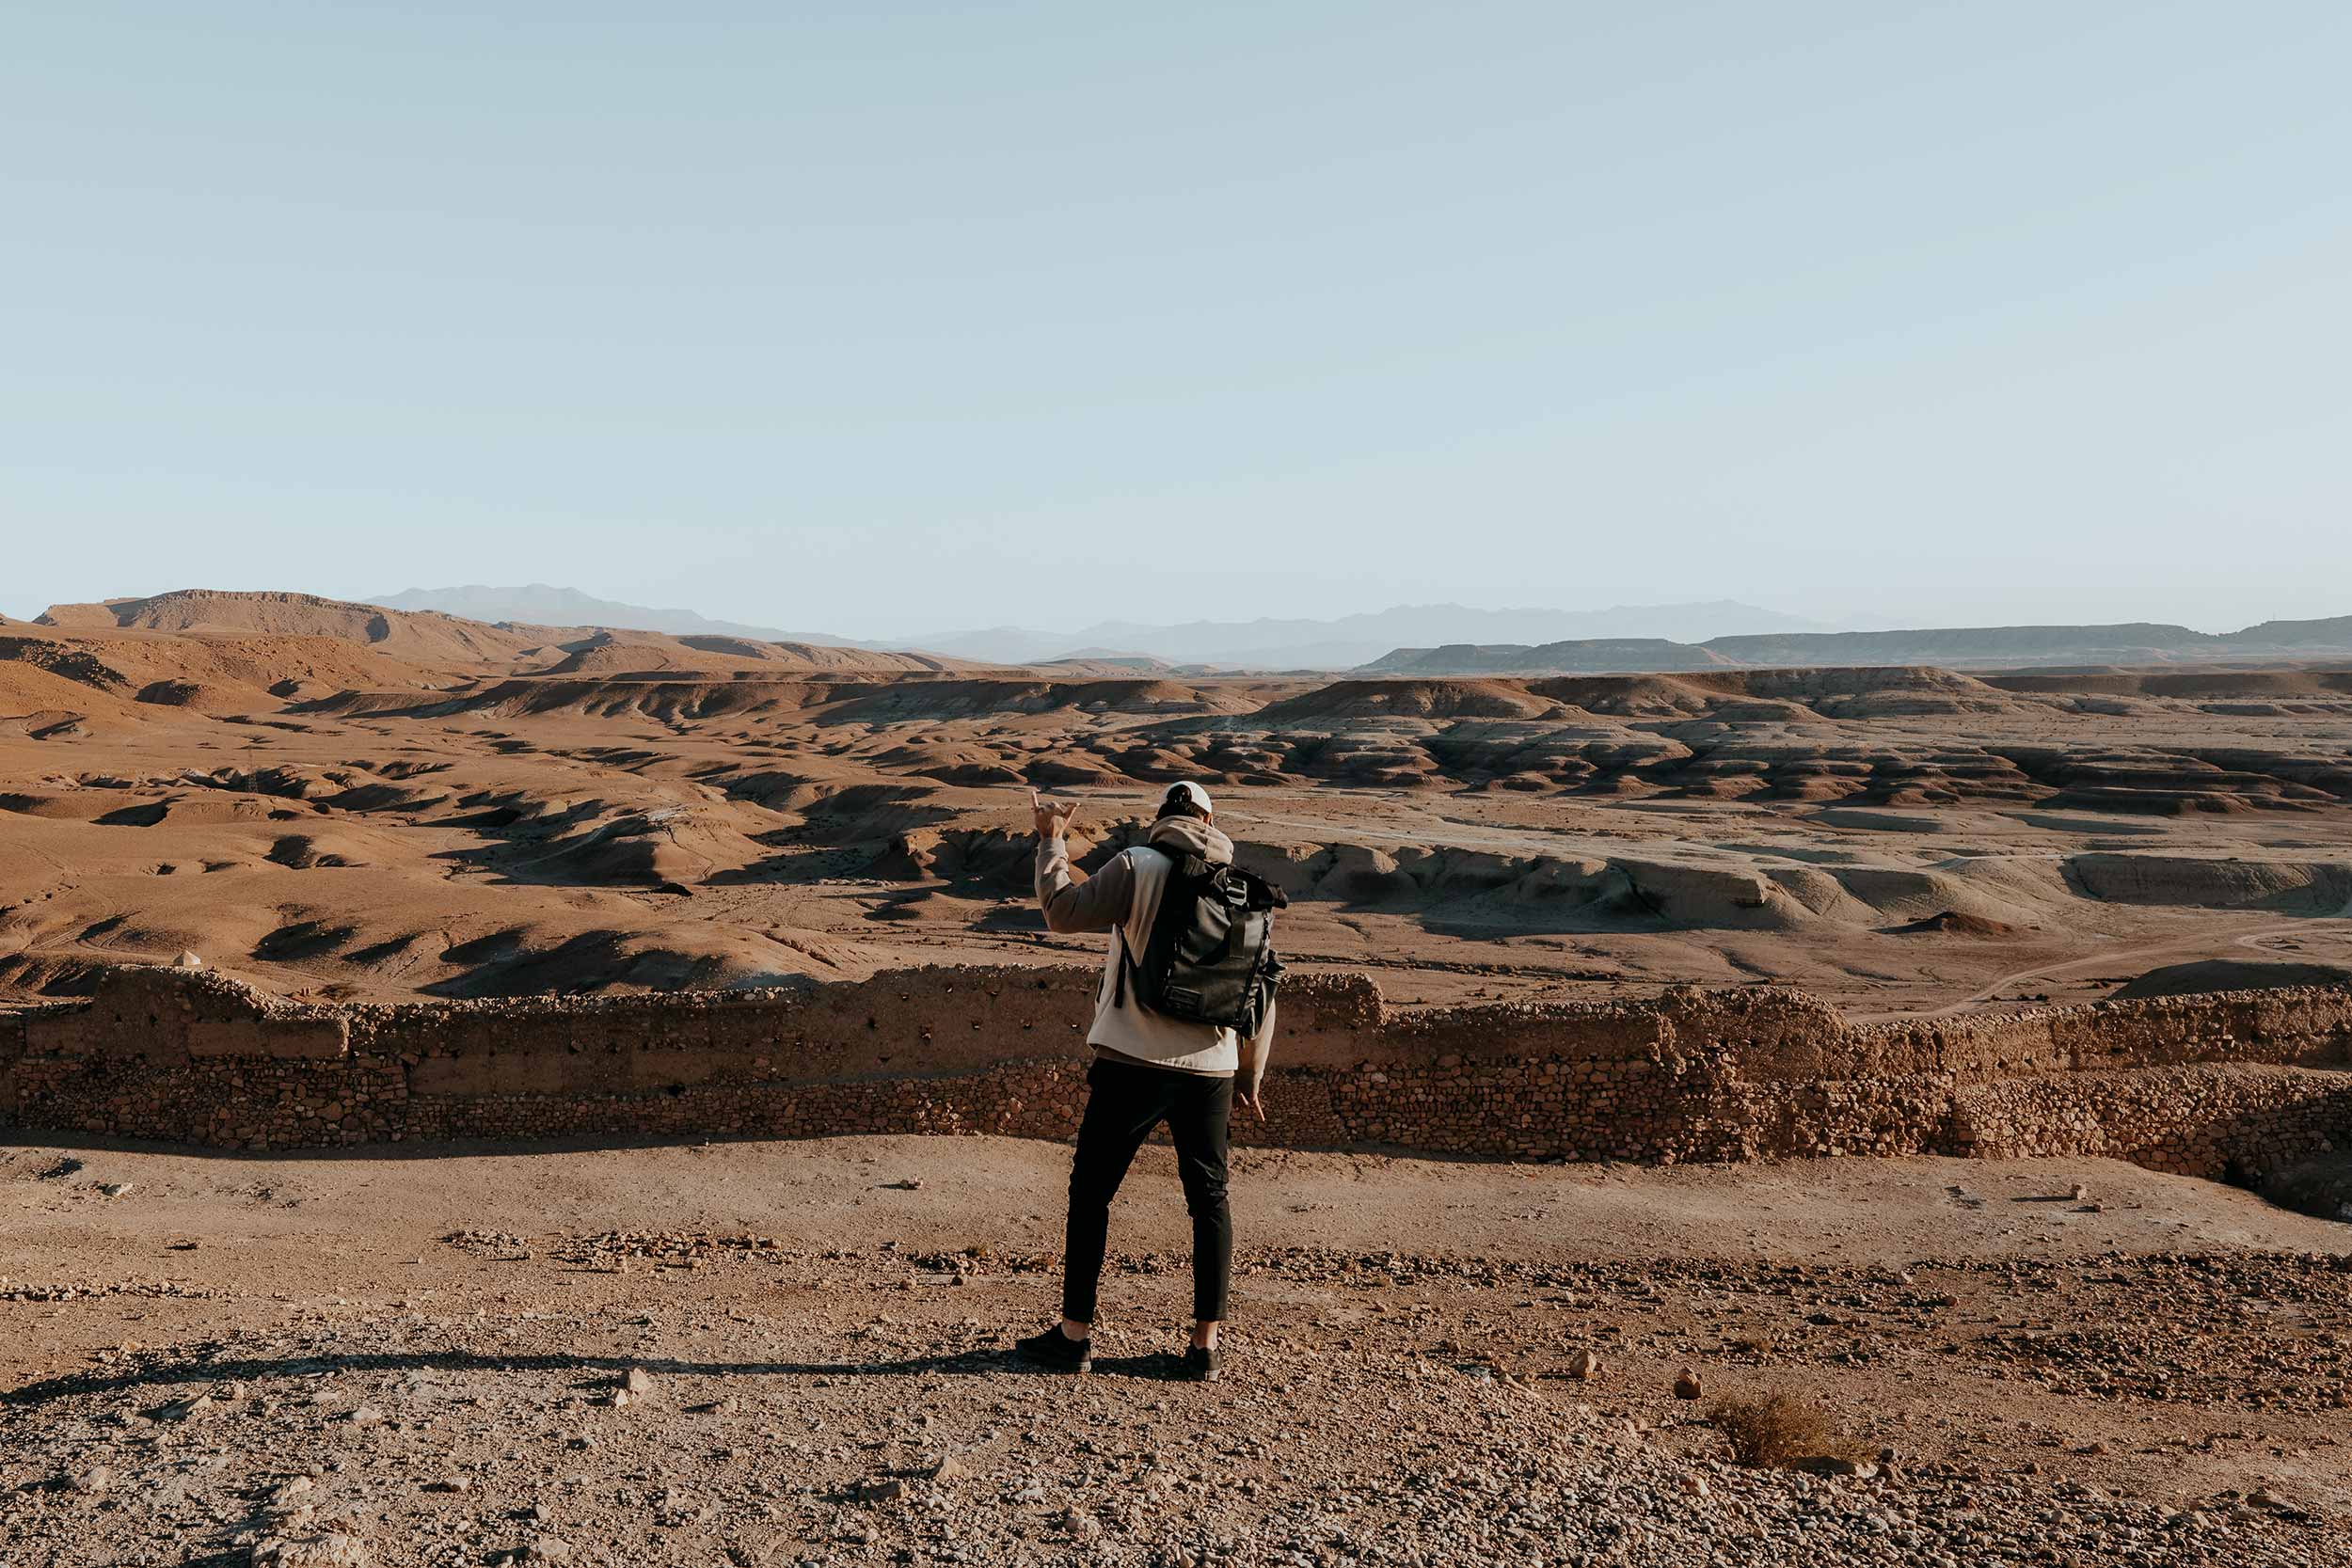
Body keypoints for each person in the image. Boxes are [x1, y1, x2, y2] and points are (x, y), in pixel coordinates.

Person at [1012, 781, 1276, 1381]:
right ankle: (1203, 1348)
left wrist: (1052, 841)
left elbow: (1062, 913)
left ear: (1162, 818)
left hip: (1131, 1059)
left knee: (1092, 1192)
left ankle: (1074, 1337)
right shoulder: (1245, 888)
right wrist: (1248, 1072)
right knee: (1208, 1201)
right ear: (1211, 821)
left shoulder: (1137, 865)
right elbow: (1261, 989)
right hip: (1211, 1066)